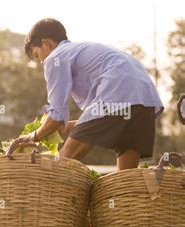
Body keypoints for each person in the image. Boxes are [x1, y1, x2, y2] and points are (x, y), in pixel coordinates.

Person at [21, 18, 164, 170]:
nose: (42, 62)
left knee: (62, 164)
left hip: (116, 91)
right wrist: (67, 125)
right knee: (125, 178)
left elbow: (57, 115)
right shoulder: (83, 50)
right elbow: (106, 114)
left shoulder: (56, 57)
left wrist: (32, 136)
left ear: (46, 44)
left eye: (37, 56)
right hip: (145, 100)